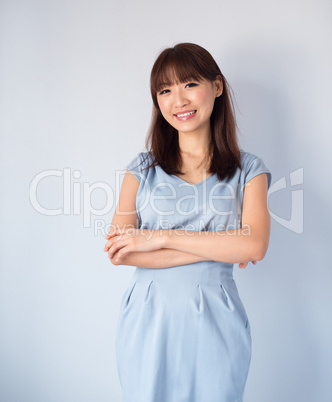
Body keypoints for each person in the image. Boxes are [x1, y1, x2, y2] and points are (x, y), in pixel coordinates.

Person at [104, 42, 272, 402]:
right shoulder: (140, 169)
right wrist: (223, 246)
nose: (177, 100)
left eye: (189, 84)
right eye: (164, 90)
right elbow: (120, 251)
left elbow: (255, 245)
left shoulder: (250, 171)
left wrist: (157, 236)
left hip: (217, 317)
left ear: (217, 86)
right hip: (148, 319)